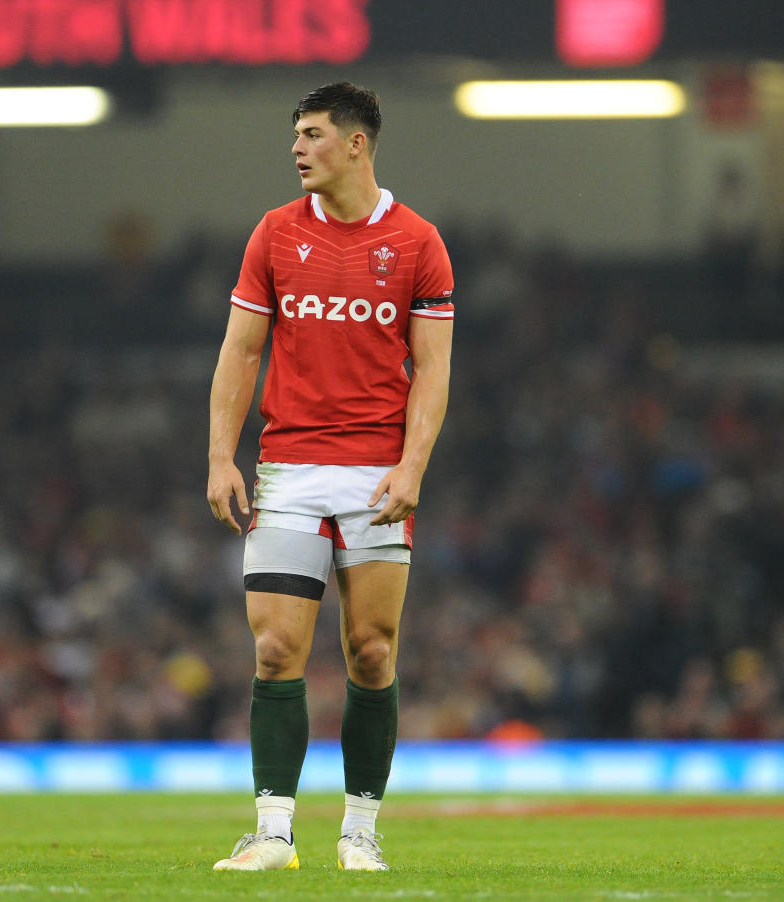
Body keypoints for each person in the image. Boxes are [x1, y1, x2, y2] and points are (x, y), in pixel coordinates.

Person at [206, 82, 454, 872]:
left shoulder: (418, 243)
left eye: (311, 134)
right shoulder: (275, 235)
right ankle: (273, 832)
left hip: (377, 473)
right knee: (277, 648)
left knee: (372, 652)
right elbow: (242, 352)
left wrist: (414, 465)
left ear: (356, 143)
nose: (297, 148)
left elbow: (433, 369)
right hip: (289, 468)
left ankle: (360, 832)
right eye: (296, 134)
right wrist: (220, 454)